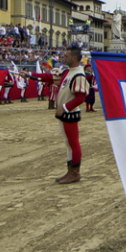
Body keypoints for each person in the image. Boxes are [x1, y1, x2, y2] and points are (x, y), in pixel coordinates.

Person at [54, 46, 90, 184]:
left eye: (67, 56)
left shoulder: (78, 75)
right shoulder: (69, 72)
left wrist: (64, 108)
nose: (64, 58)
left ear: (74, 58)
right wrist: (30, 75)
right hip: (66, 112)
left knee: (73, 143)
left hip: (69, 113)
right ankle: (71, 171)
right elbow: (51, 78)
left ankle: (74, 173)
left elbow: (80, 98)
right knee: (69, 143)